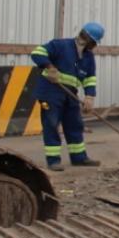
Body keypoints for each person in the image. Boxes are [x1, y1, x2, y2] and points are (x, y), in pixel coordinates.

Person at [30, 21, 103, 170]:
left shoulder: (88, 57)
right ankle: (53, 161)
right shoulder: (61, 45)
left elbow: (90, 78)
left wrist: (90, 96)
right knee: (51, 124)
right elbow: (37, 53)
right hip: (51, 91)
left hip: (70, 94)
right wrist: (49, 67)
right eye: (94, 42)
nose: (94, 46)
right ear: (90, 40)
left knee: (74, 124)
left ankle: (79, 158)